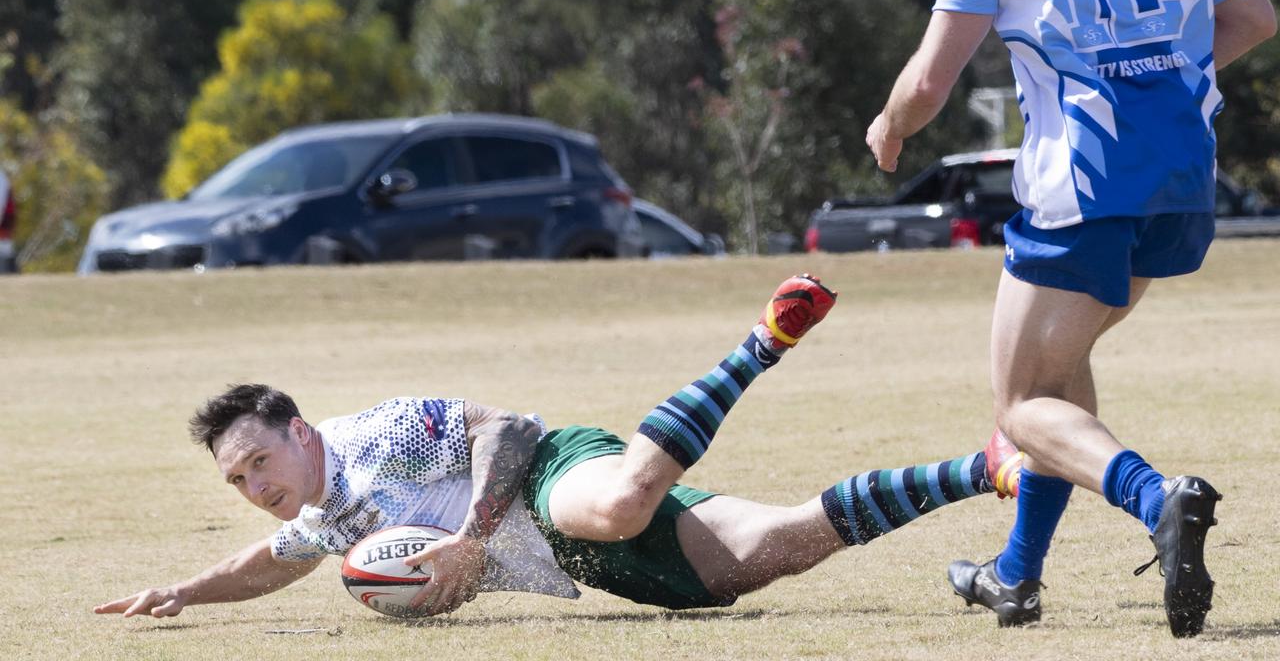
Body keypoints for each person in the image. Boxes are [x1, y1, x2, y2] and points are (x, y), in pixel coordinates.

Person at [95, 275, 1021, 619]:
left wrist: (472, 533)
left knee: (618, 503)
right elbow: (271, 562)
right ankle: (984, 468)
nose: (254, 486)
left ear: (298, 431)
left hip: (552, 477)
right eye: (237, 479)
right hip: (593, 563)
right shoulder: (320, 515)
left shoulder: (373, 439)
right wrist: (183, 592)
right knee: (772, 552)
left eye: (259, 460)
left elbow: (509, 428)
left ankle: (759, 346)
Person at [864, 0, 1275, 638]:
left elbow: (929, 86)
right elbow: (1256, 19)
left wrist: (888, 125)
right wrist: (1162, 81)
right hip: (1181, 180)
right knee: (1059, 373)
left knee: (1022, 402)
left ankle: (1158, 501)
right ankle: (1017, 576)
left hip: (1085, 185)